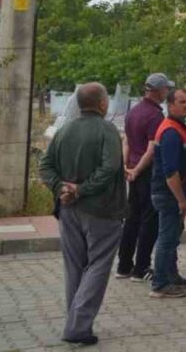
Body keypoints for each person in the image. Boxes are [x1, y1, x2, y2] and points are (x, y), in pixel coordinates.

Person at [39, 82, 127, 346]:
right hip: (101, 208)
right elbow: (110, 167)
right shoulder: (107, 130)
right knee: (98, 266)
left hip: (68, 209)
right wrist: (81, 189)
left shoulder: (65, 130)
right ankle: (78, 326)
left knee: (74, 267)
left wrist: (61, 187)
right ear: (102, 103)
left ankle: (75, 320)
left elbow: (45, 166)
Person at [116, 72, 172, 283]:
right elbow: (151, 149)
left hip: (132, 170)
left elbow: (126, 141)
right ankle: (141, 268)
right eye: (166, 88)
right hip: (146, 172)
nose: (168, 92)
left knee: (132, 219)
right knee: (149, 220)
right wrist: (138, 170)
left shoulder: (134, 111)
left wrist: (126, 167)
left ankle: (123, 265)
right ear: (158, 91)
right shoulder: (156, 116)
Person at [149, 87, 186, 298]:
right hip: (169, 194)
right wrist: (181, 200)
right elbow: (171, 172)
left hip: (171, 194)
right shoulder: (171, 131)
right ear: (170, 105)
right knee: (167, 238)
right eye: (182, 102)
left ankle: (171, 275)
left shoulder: (177, 127)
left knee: (172, 236)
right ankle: (160, 283)